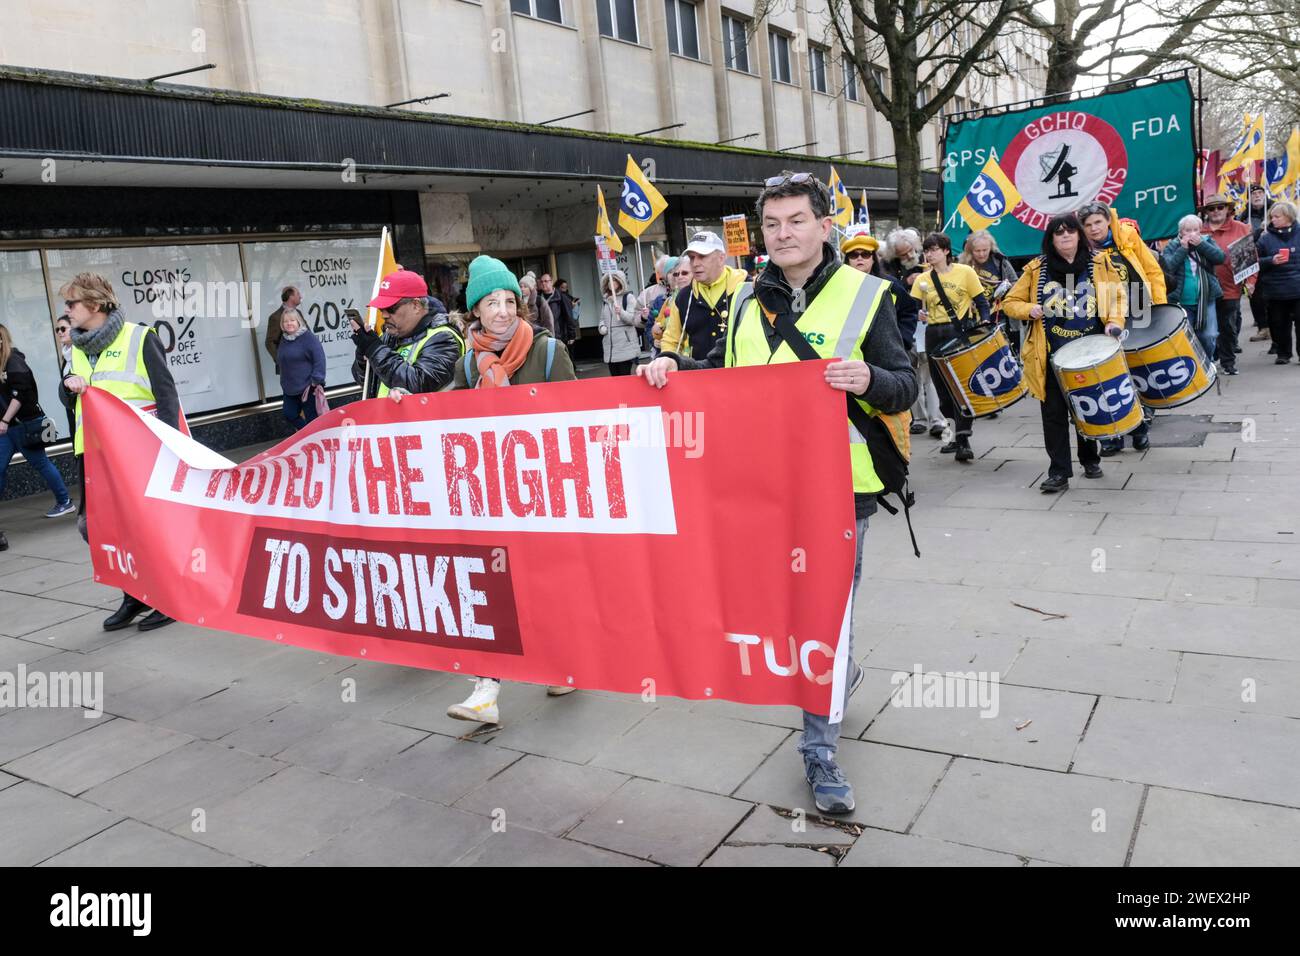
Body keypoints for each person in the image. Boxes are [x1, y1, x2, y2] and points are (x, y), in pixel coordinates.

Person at [637, 171, 918, 814]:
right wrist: (675, 369)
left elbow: (902, 385)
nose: (784, 233)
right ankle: (837, 672)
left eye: (797, 220)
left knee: (825, 613)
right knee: (778, 611)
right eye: (773, 223)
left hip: (842, 493)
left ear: (825, 227)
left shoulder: (868, 294)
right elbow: (726, 381)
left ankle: (819, 751)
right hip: (762, 489)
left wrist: (868, 377)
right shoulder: (741, 302)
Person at [447, 255, 578, 723]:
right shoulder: (468, 363)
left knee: (542, 582)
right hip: (489, 494)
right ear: (474, 311)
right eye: (491, 302)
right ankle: (486, 690)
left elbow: (575, 422)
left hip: (541, 493)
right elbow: (443, 420)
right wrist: (405, 406)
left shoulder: (546, 351)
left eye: (508, 300)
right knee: (491, 587)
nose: (502, 310)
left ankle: (562, 661)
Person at [59, 272, 179, 631]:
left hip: (137, 452)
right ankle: (134, 593)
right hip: (93, 454)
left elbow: (167, 395)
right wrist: (68, 387)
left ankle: (165, 595)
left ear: (94, 305)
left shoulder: (140, 338)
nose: (66, 311)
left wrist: (169, 450)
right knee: (96, 528)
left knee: (145, 524)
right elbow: (66, 397)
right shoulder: (75, 348)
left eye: (72, 304)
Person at [1002, 214, 1127, 493]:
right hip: (1051, 355)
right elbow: (1010, 302)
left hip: (1091, 352)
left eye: (1071, 231)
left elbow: (1118, 297)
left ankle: (1090, 459)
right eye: (1059, 233)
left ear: (1080, 235)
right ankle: (1059, 471)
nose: (1066, 236)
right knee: (1054, 414)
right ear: (1051, 239)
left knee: (1086, 408)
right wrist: (1028, 310)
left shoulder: (1099, 262)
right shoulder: (1036, 269)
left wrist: (1114, 323)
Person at [1078, 201, 1165, 456]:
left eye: (1097, 222)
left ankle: (1139, 428)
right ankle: (1111, 437)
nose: (1094, 229)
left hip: (1138, 306)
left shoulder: (1127, 235)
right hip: (1102, 314)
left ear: (1107, 221)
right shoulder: (1080, 249)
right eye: (1088, 225)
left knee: (1134, 368)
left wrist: (1159, 306)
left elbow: (1152, 270)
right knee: (1106, 374)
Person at [910, 232, 991, 462]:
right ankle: (955, 435)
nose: (929, 254)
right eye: (927, 250)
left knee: (961, 388)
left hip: (958, 332)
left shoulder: (965, 272)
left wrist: (984, 320)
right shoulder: (921, 279)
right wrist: (918, 313)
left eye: (934, 249)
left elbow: (982, 302)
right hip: (933, 333)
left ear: (946, 251)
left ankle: (963, 439)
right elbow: (911, 309)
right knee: (943, 393)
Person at [0, 324, 75, 528]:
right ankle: (64, 500)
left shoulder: (13, 361)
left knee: (40, 463)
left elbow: (20, 394)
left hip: (23, 425)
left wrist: (5, 420)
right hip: (8, 428)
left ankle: (65, 501)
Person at [350, 270, 465, 397]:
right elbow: (365, 382)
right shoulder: (390, 335)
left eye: (390, 308)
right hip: (388, 416)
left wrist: (375, 349)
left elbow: (418, 383)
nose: (384, 315)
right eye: (381, 309)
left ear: (416, 305)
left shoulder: (443, 338)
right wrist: (363, 355)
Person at [658, 230, 747, 360]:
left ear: (721, 258)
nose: (695, 263)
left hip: (744, 375)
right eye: (692, 257)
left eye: (702, 256)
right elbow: (671, 340)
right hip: (701, 376)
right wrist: (665, 360)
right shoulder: (684, 297)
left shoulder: (747, 288)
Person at [1159, 214, 1225, 363]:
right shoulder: (1172, 245)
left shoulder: (1207, 241)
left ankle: (1206, 363)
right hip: (1182, 300)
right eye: (1188, 230)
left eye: (1195, 230)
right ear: (1181, 232)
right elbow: (1168, 267)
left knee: (1209, 336)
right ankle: (1194, 366)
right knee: (1187, 337)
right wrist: (1183, 249)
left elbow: (1220, 258)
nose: (1192, 234)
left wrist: (1201, 244)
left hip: (1206, 298)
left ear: (1200, 230)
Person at [1201, 193, 1253, 375]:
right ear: (1206, 211)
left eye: (1219, 207)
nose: (1216, 211)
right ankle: (1212, 357)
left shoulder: (1241, 228)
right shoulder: (1198, 230)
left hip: (1231, 286)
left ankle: (1228, 362)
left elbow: (1249, 258)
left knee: (1228, 326)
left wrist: (1251, 282)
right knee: (1207, 328)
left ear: (1227, 209)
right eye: (1211, 208)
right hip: (1204, 288)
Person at [1256, 200, 1300, 364]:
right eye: (1271, 217)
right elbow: (1254, 261)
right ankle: (1283, 353)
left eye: (1277, 216)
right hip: (1275, 289)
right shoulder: (1265, 239)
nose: (1272, 220)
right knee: (1279, 323)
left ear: (1289, 217)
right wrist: (1271, 261)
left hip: (1298, 287)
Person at [960, 230, 1020, 348]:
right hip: (975, 319)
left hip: (1001, 315)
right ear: (970, 250)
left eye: (985, 250)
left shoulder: (1000, 261)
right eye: (977, 251)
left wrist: (1006, 287)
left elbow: (1015, 282)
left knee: (1008, 351)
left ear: (990, 248)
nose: (981, 254)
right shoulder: (962, 264)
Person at [276, 307, 327, 431]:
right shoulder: (284, 339)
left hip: (308, 388)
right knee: (289, 414)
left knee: (312, 420)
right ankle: (307, 434)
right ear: (282, 324)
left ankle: (314, 441)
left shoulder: (308, 338)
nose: (289, 324)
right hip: (290, 389)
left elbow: (319, 359)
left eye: (292, 320)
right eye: (285, 321)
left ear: (298, 321)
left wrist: (316, 381)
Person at [598, 270, 645, 376]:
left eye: (614, 280)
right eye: (609, 281)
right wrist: (602, 327)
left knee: (624, 377)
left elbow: (633, 319)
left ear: (620, 282)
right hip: (610, 346)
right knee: (615, 379)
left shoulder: (628, 297)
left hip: (625, 345)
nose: (611, 283)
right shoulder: (606, 300)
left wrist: (621, 312)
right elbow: (602, 319)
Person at [264, 285, 302, 373]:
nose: (301, 296)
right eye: (298, 294)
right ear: (290, 296)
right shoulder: (276, 317)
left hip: (305, 363)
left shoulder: (298, 312)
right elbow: (270, 343)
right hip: (289, 368)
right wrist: (282, 361)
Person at [54, 314, 77, 438]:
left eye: (63, 329)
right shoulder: (66, 355)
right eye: (57, 330)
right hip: (72, 409)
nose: (60, 332)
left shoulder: (82, 351)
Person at [540, 273, 577, 347]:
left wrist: (572, 335)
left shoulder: (561, 297)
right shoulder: (538, 298)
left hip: (559, 336)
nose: (543, 283)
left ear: (551, 282)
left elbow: (569, 317)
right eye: (541, 281)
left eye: (546, 281)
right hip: (543, 336)